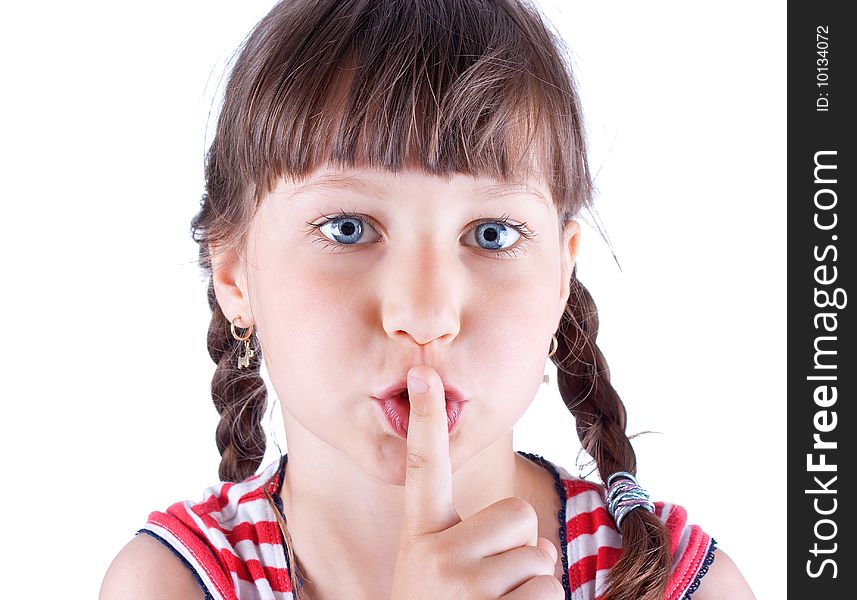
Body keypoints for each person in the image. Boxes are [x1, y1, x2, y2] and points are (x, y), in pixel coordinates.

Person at [100, 0, 756, 598]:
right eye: (346, 229)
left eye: (491, 234)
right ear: (235, 275)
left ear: (560, 278)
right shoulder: (171, 581)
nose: (424, 315)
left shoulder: (671, 583)